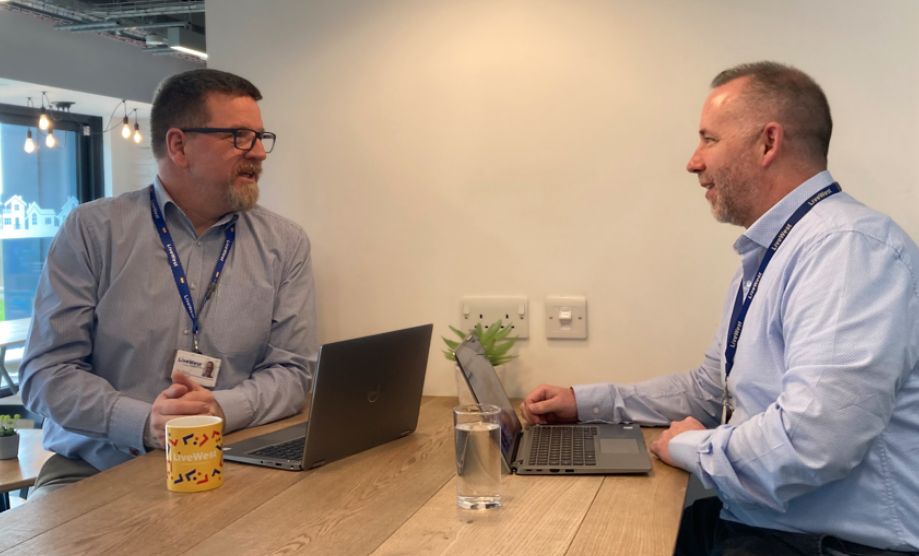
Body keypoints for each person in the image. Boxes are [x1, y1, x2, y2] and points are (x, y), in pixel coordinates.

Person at [521, 62, 919, 555]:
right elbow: (711, 392)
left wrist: (691, 446)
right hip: (767, 524)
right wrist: (584, 402)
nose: (693, 161)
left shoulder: (847, 250)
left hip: (827, 546)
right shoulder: (775, 252)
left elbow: (813, 443)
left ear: (768, 143)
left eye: (709, 139)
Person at [19, 69, 318, 498]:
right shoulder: (91, 231)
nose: (259, 153)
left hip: (232, 465)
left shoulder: (284, 244)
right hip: (95, 471)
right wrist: (143, 421)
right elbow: (45, 373)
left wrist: (217, 410)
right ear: (179, 145)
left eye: (260, 136)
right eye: (238, 136)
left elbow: (293, 371)